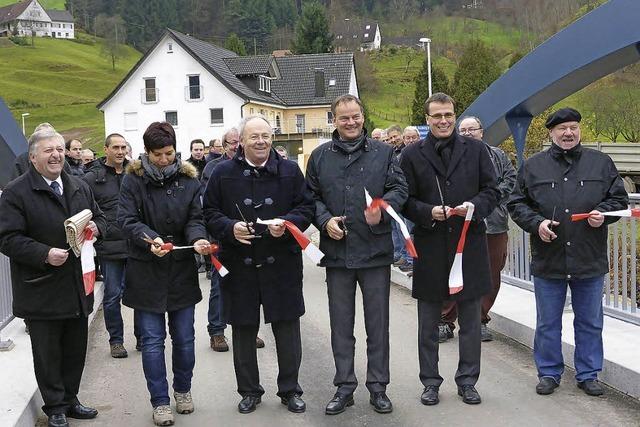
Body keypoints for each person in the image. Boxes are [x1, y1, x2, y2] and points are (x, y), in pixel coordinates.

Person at [507, 107, 628, 397]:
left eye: (573, 127)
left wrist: (605, 214)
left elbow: (618, 199)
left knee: (590, 320)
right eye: (562, 129)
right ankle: (549, 372)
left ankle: (588, 374)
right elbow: (516, 203)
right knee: (548, 321)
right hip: (549, 256)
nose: (568, 133)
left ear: (579, 130)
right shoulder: (533, 166)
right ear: (551, 133)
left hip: (589, 256)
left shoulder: (601, 163)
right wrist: (537, 224)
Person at [203, 115, 314, 414]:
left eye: (265, 135)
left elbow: (306, 207)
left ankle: (290, 390)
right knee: (243, 329)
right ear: (242, 140)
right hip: (240, 263)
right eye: (254, 137)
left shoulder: (290, 170)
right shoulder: (222, 172)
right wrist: (229, 228)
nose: (261, 141)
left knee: (287, 329)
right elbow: (209, 211)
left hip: (282, 264)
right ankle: (250, 391)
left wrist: (288, 224)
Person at [306, 94, 408, 415]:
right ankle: (344, 386)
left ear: (363, 117)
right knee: (341, 325)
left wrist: (383, 206)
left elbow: (399, 189)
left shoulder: (385, 152)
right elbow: (310, 197)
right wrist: (324, 221)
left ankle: (378, 387)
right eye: (344, 118)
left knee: (377, 325)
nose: (350, 123)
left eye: (355, 117)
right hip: (337, 254)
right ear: (334, 120)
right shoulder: (320, 156)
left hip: (375, 251)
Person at [0, 128, 106, 427]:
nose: (57, 155)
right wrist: (44, 253)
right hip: (41, 288)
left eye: (60, 149)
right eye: (48, 150)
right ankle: (55, 407)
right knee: (47, 354)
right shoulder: (16, 192)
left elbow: (99, 217)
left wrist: (98, 228)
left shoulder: (78, 186)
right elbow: (7, 238)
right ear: (33, 157)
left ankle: (71, 399)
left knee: (75, 349)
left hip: (76, 285)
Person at [399, 93, 498, 406]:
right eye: (437, 116)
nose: (443, 121)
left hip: (468, 244)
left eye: (448, 115)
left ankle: (468, 381)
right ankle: (430, 382)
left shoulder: (478, 149)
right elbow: (404, 199)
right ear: (427, 119)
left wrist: (474, 207)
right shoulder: (412, 154)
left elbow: (492, 190)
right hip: (429, 246)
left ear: (455, 116)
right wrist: (428, 212)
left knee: (470, 320)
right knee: (428, 323)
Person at [117, 121, 212, 426]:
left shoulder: (188, 180)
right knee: (153, 341)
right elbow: (126, 220)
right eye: (157, 154)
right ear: (147, 153)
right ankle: (159, 402)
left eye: (169, 153)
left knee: (184, 339)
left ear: (175, 150)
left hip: (181, 273)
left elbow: (195, 218)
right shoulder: (133, 181)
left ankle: (182, 390)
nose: (163, 159)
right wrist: (150, 239)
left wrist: (197, 238)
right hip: (146, 273)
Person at [439, 116, 516, 343]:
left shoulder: (498, 156)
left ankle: (479, 319)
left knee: (491, 273)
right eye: (463, 130)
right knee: (452, 271)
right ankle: (445, 320)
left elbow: (510, 180)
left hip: (492, 224)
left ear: (482, 132)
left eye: (472, 129)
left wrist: (485, 201)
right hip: (457, 224)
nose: (468, 133)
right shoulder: (447, 156)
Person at [83, 133, 140, 358]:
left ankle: (142, 337)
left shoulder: (136, 173)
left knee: (139, 294)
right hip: (110, 247)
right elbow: (85, 210)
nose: (120, 151)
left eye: (123, 147)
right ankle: (116, 340)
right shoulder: (92, 178)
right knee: (113, 295)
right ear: (105, 149)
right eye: (115, 147)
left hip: (136, 244)